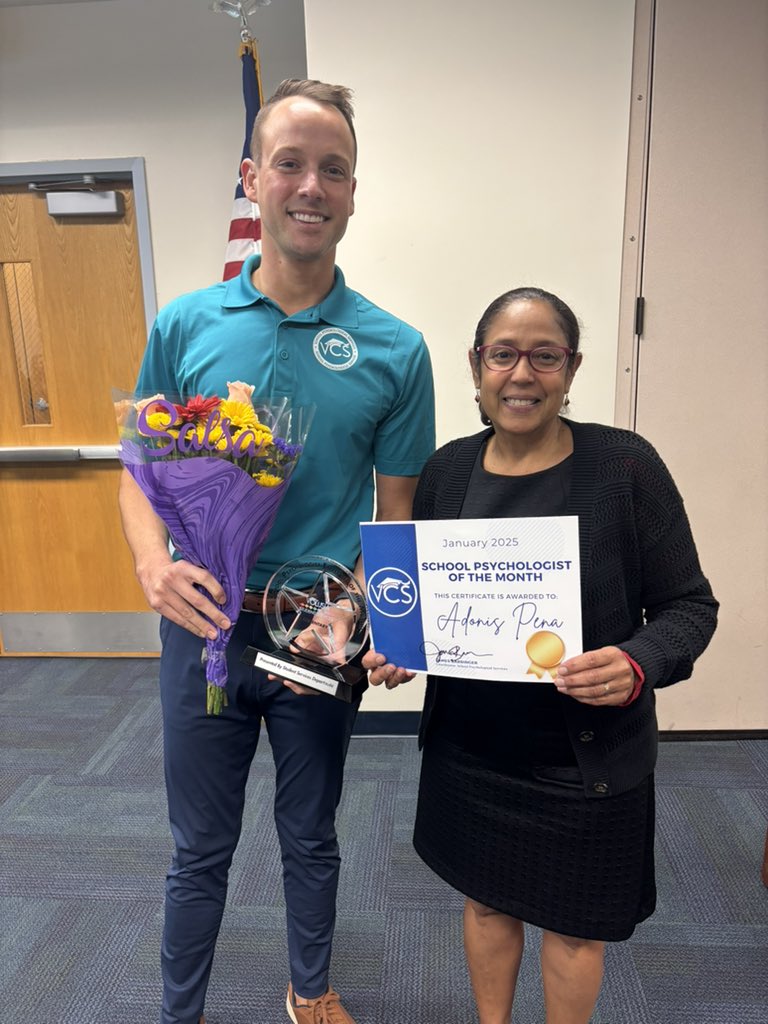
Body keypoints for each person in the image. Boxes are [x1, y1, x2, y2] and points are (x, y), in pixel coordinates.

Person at [119, 79, 435, 1024]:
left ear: (352, 191)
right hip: (206, 622)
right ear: (255, 178)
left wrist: (386, 625)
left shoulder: (395, 348)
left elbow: (398, 516)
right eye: (290, 163)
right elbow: (139, 471)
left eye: (331, 168)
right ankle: (182, 1011)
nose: (310, 185)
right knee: (199, 847)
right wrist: (152, 563)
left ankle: (311, 988)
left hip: (316, 633)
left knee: (311, 834)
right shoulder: (187, 325)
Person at [364, 287, 717, 1024]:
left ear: (571, 367)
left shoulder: (625, 466)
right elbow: (429, 604)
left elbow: (689, 608)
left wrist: (636, 662)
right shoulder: (447, 471)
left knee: (574, 928)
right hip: (474, 749)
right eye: (504, 354)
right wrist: (405, 649)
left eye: (544, 356)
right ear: (477, 366)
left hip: (584, 758)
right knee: (488, 906)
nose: (522, 374)